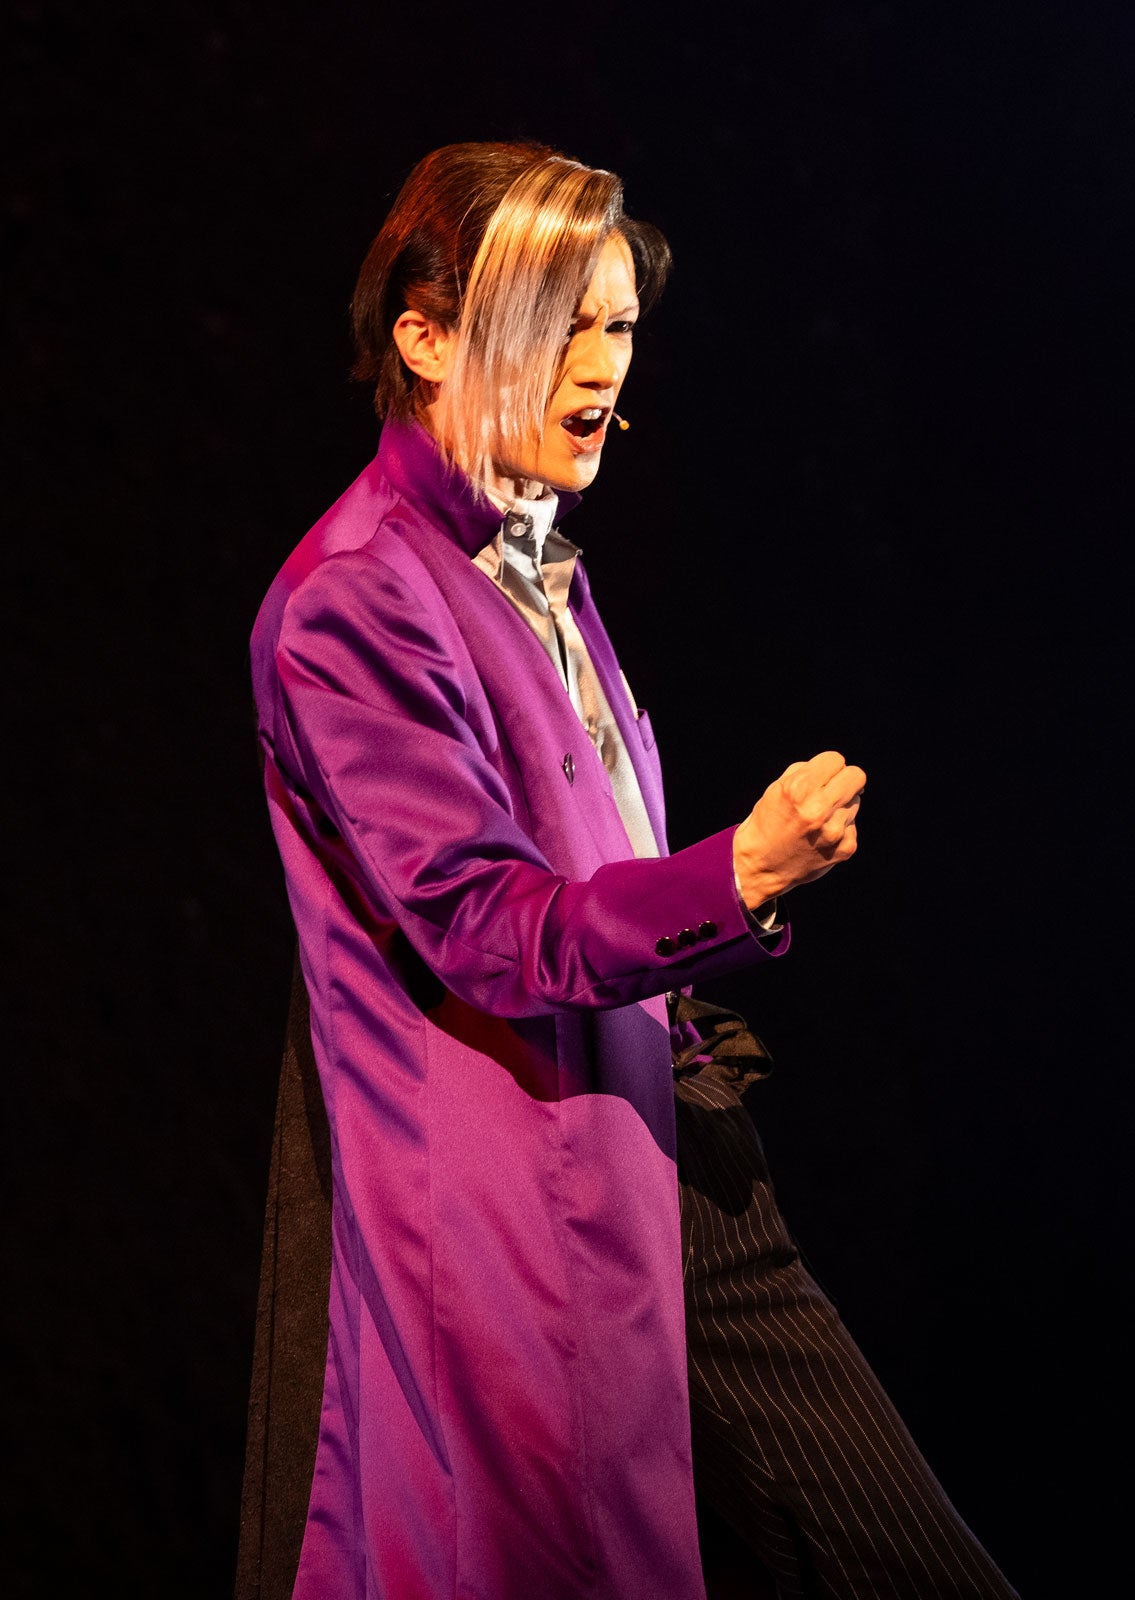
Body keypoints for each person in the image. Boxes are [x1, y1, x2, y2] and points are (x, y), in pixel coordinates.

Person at [240, 142, 1018, 1599]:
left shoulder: (538, 564)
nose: (602, 365)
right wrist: (741, 877)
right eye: (561, 326)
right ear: (427, 339)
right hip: (541, 1193)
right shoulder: (356, 599)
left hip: (665, 1140)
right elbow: (487, 923)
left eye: (618, 325)